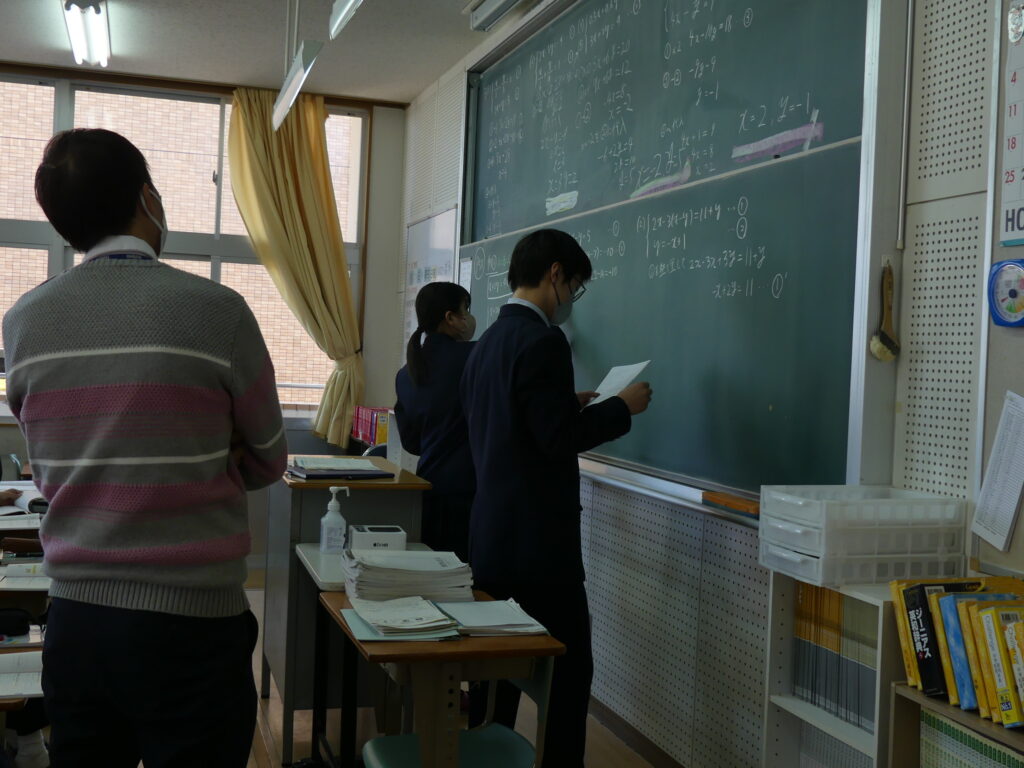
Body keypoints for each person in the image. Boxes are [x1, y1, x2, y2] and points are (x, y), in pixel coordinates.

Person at [3, 128, 287, 767]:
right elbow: (270, 455)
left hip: (75, 623)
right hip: (194, 624)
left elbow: (51, 463)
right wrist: (199, 463)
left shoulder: (22, 321)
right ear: (147, 197)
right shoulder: (218, 311)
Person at [460, 228, 652, 768]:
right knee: (568, 677)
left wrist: (567, 403)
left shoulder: (487, 344)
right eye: (575, 286)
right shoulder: (544, 342)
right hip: (540, 552)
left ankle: (486, 758)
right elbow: (557, 440)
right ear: (555, 275)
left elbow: (514, 425)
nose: (572, 299)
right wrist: (621, 407)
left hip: (492, 540)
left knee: (496, 677)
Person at [393, 282, 476, 561]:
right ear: (450, 317)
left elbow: (411, 443)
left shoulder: (406, 374)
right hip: (470, 490)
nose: (469, 318)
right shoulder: (473, 358)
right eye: (466, 310)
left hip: (428, 488)